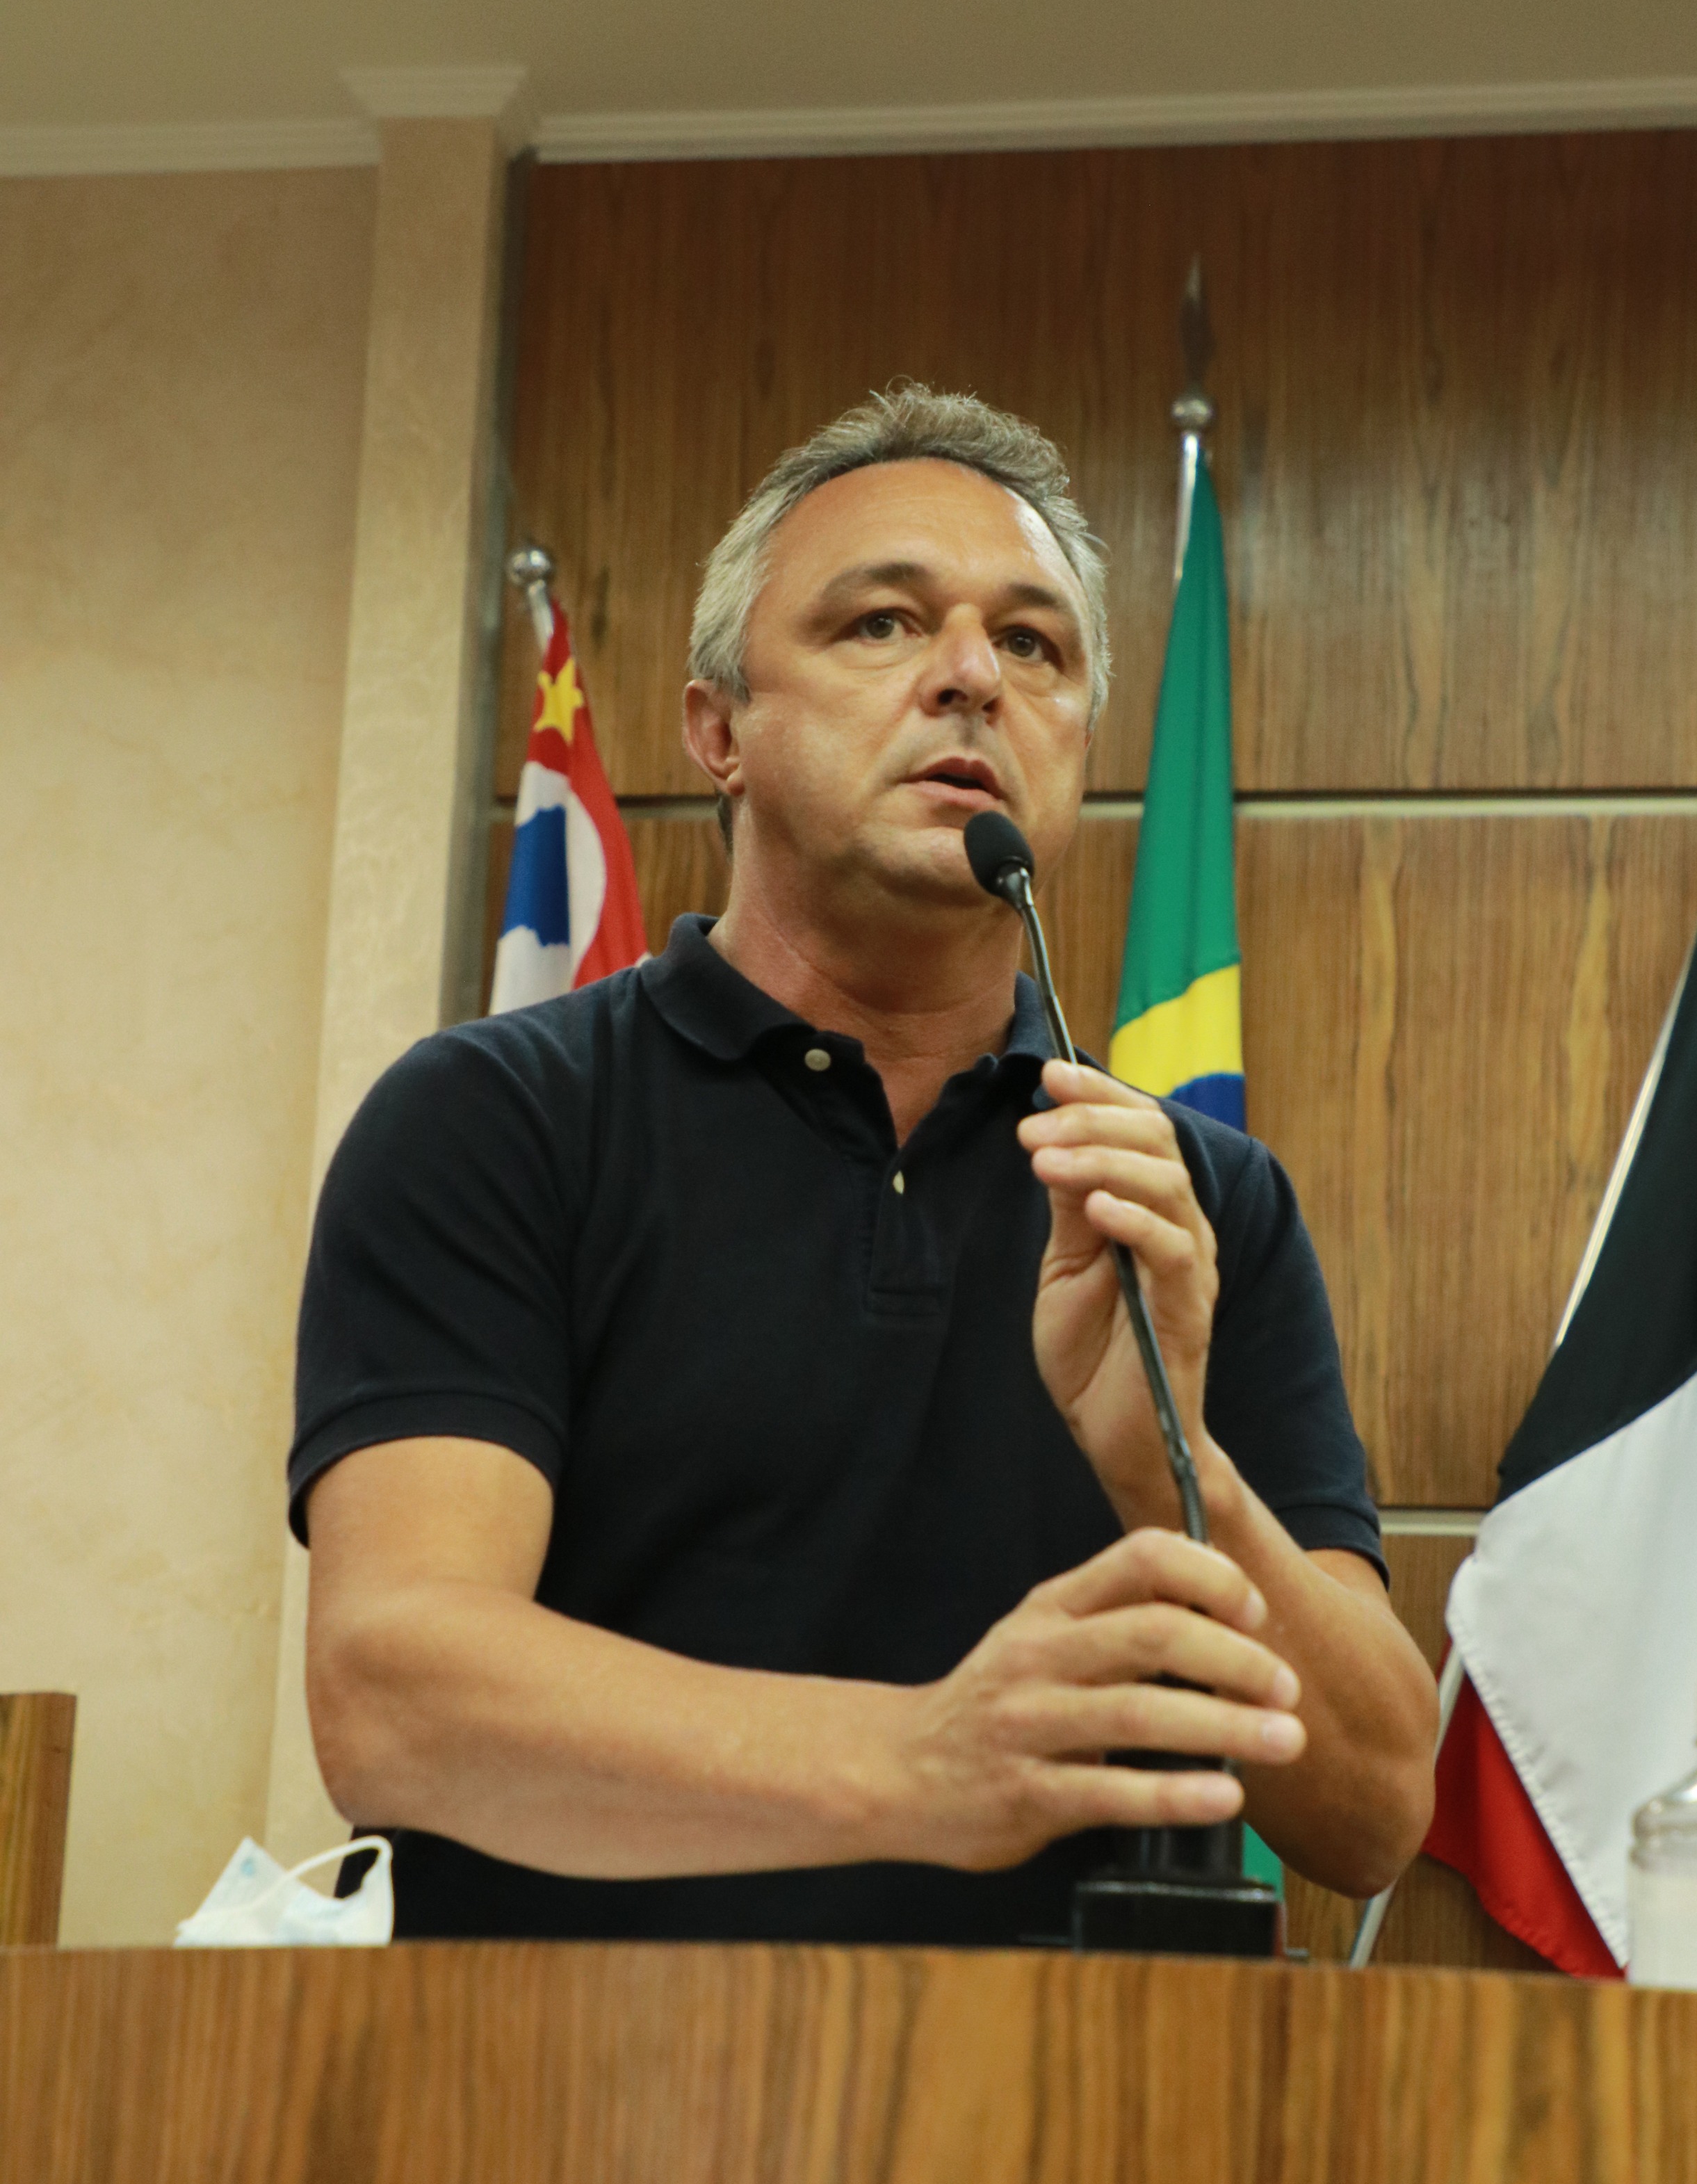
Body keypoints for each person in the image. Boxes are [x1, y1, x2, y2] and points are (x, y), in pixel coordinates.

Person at [293, 385, 1436, 1942]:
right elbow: (395, 1701)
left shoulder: (1186, 1198)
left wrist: (1169, 1469)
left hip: (1075, 2086)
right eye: (883, 623)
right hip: (580, 2077)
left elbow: (1371, 1813)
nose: (972, 676)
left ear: (1075, 753)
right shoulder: (497, 1120)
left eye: (1032, 645)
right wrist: (921, 1762)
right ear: (719, 731)